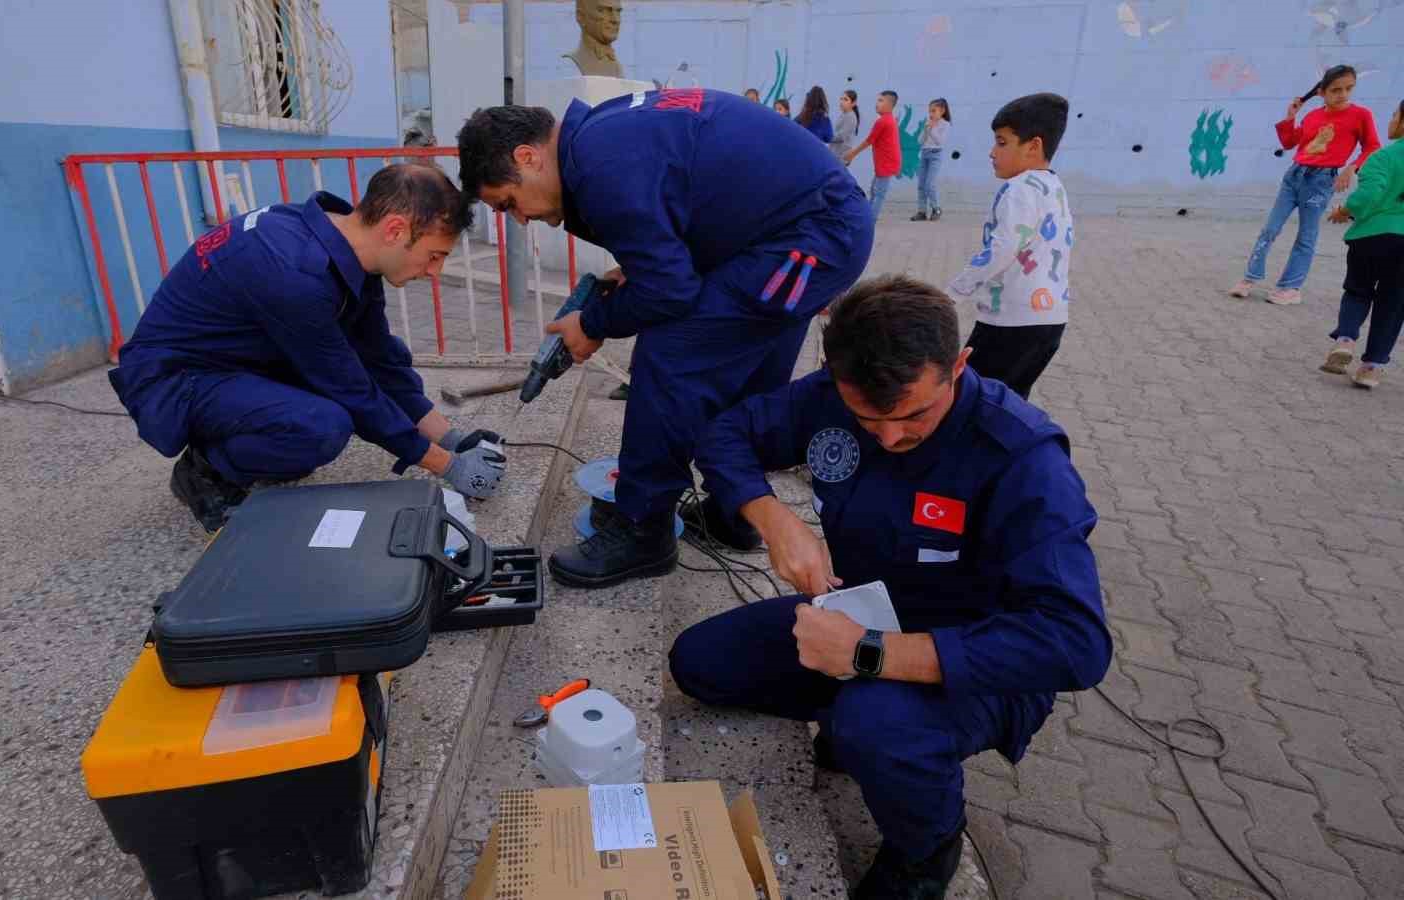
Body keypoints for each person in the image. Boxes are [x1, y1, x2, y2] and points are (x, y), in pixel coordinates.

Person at [671, 275, 1111, 900]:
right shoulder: (836, 392)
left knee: (871, 724)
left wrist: (870, 656)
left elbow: (1077, 644)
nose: (889, 438)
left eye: (913, 416)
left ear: (958, 365)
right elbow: (725, 434)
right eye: (865, 420)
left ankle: (927, 846)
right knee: (700, 664)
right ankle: (866, 724)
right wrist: (775, 519)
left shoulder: (1023, 459)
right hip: (860, 615)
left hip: (979, 659)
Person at [457, 89, 874, 587]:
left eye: (508, 203)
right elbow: (681, 211)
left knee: (670, 353)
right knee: (749, 361)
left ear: (527, 157)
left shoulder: (598, 165)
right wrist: (636, 267)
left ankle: (644, 528)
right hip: (799, 230)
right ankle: (732, 511)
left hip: (807, 238)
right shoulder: (600, 134)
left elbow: (671, 291)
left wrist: (592, 324)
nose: (521, 218)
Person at [108, 164, 509, 532]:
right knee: (321, 426)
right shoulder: (293, 271)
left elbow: (379, 358)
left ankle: (254, 440)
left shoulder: (344, 244)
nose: (435, 272)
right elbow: (350, 388)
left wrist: (453, 439)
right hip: (178, 377)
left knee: (345, 388)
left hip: (242, 360)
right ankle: (206, 471)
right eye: (434, 256)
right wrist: (448, 466)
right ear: (395, 230)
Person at [948, 92, 1074, 401]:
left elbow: (1002, 248)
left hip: (1011, 320)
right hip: (1050, 319)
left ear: (1034, 146)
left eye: (1002, 143)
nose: (992, 152)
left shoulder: (1019, 189)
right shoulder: (1053, 186)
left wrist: (953, 292)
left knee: (972, 397)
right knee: (1010, 402)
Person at [1229, 64, 1382, 306]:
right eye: (1336, 90)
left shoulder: (1360, 115)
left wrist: (1352, 167)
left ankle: (1291, 288)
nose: (1343, 95)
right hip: (1295, 175)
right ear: (1322, 92)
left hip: (1322, 181)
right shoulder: (1313, 116)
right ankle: (1250, 278)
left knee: (1306, 235)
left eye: (1348, 89)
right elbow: (1290, 142)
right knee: (1270, 229)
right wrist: (1291, 117)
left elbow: (1372, 146)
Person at [1321, 98, 1404, 389]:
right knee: (1394, 303)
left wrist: (1344, 211)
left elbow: (1367, 196)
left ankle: (1345, 340)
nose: (1391, 119)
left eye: (1394, 114)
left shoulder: (1383, 157)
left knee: (1357, 291)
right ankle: (1371, 367)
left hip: (1371, 238)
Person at [842, 90, 902, 224]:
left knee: (879, 193)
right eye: (878, 100)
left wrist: (852, 153)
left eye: (881, 101)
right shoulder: (888, 120)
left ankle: (870, 219)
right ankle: (868, 215)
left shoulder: (883, 121)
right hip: (884, 162)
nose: (877, 104)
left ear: (890, 105)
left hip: (886, 163)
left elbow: (869, 141)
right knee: (875, 190)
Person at [911, 98, 952, 221]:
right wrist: (925, 129)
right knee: (921, 185)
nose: (931, 114)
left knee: (929, 184)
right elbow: (920, 141)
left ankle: (936, 208)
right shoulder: (928, 123)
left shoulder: (945, 124)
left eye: (933, 111)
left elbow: (940, 142)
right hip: (924, 154)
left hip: (936, 154)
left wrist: (932, 129)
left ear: (942, 111)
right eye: (929, 111)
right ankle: (922, 211)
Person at [562, 0, 624, 79]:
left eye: (618, 11)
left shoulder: (617, 67)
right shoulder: (571, 65)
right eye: (603, 11)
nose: (615, 20)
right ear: (581, 16)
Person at [829, 89, 861, 161]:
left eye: (846, 100)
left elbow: (841, 137)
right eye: (841, 99)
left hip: (840, 156)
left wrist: (827, 137)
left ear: (853, 103)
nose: (842, 102)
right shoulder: (844, 114)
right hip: (835, 154)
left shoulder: (850, 117)